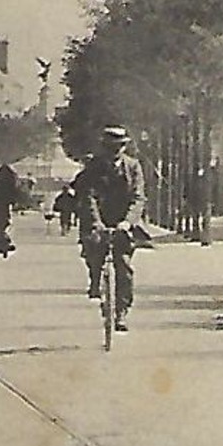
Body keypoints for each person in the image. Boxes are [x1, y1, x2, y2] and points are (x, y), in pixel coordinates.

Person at [75, 126, 145, 331]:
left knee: (124, 267)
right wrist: (96, 223)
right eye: (111, 147)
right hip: (98, 218)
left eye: (120, 147)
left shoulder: (133, 167)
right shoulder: (93, 167)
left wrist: (128, 222)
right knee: (92, 250)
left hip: (123, 220)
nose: (115, 151)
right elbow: (88, 196)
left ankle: (121, 312)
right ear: (104, 147)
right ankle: (95, 279)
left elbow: (138, 197)